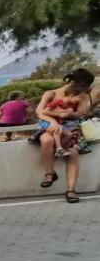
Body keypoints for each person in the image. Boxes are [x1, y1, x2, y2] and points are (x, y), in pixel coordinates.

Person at [34, 68, 96, 202]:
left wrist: (68, 114)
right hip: (48, 127)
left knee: (72, 153)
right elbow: (39, 112)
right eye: (85, 85)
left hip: (69, 128)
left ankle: (71, 190)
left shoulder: (81, 96)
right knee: (46, 140)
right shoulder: (51, 93)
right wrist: (54, 122)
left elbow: (81, 113)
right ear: (75, 82)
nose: (85, 89)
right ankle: (50, 173)